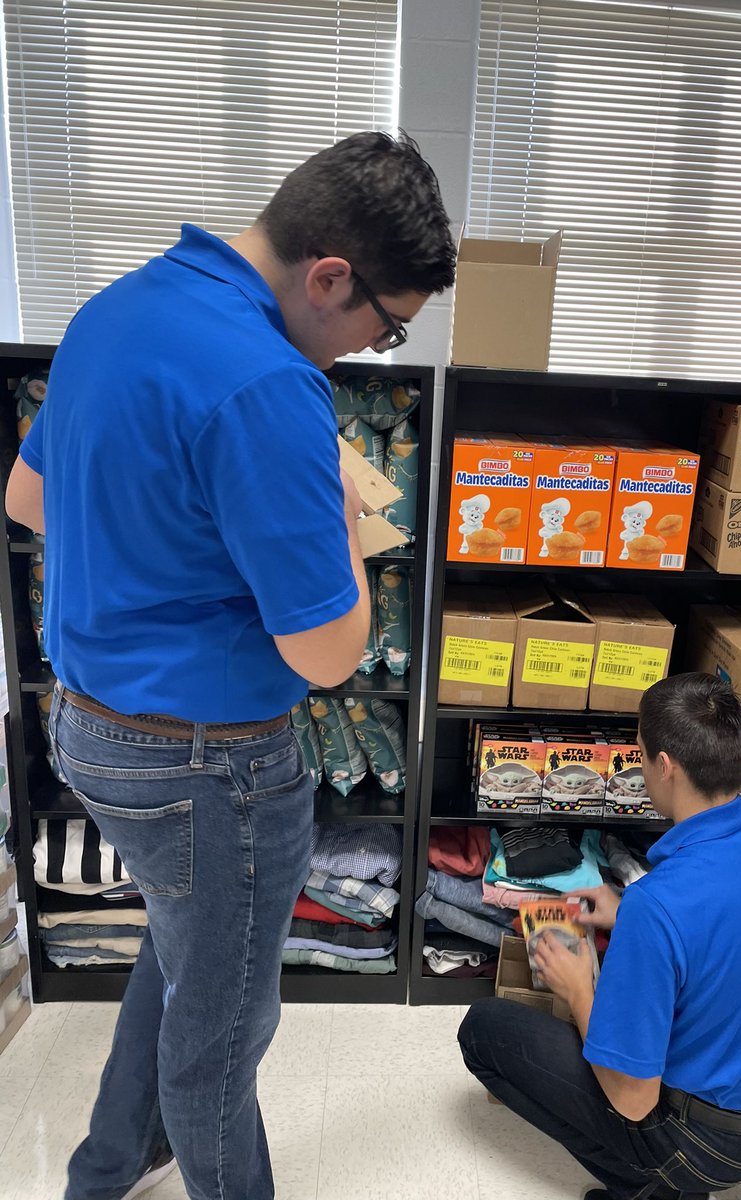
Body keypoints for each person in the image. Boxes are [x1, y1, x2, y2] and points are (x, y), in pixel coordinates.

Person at [5, 130, 455, 1200]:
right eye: (383, 330)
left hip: (89, 731)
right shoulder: (270, 386)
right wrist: (340, 513)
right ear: (330, 276)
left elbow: (26, 501)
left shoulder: (114, 308)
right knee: (220, 1048)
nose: (363, 355)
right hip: (205, 768)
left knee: (181, 948)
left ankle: (109, 1166)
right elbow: (333, 653)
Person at [458, 673, 741, 1200]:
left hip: (703, 1143)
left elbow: (632, 1099)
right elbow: (728, 920)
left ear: (666, 767)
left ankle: (659, 1186)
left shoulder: (659, 908)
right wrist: (627, 907)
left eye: (639, 752)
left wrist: (577, 989)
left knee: (483, 1031)